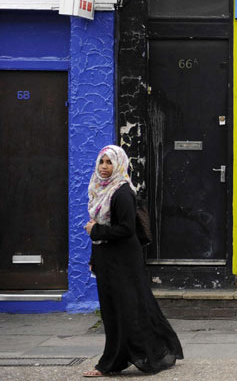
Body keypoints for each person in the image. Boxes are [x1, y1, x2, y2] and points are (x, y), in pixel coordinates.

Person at [83, 145, 183, 377]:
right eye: (102, 162)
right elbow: (101, 230)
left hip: (122, 261)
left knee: (125, 310)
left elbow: (126, 230)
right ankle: (156, 349)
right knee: (116, 311)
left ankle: (111, 363)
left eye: (110, 162)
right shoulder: (99, 189)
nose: (105, 167)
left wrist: (95, 231)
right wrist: (93, 256)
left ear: (119, 164)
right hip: (106, 258)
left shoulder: (122, 192)